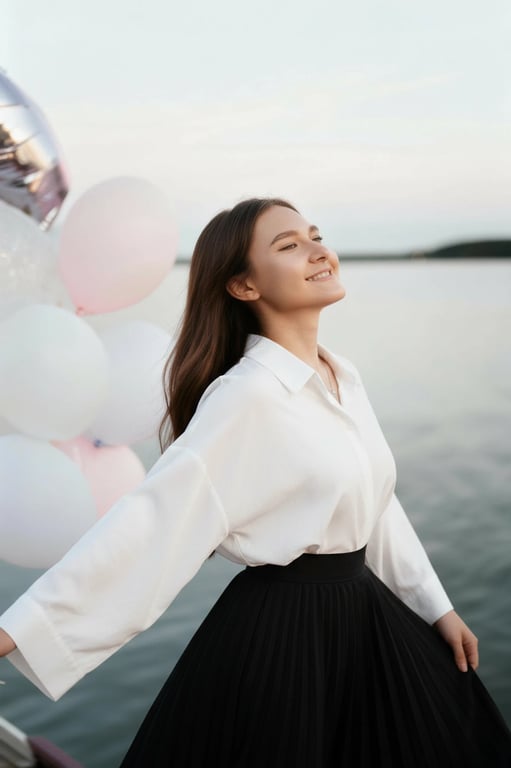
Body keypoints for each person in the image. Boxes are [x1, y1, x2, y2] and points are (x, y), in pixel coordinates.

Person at [0, 197, 510, 767]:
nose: (318, 250)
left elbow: (376, 503)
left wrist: (437, 607)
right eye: (289, 246)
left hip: (365, 617)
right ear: (243, 286)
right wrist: (18, 630)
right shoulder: (246, 397)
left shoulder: (341, 373)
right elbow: (153, 522)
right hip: (285, 637)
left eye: (316, 235)